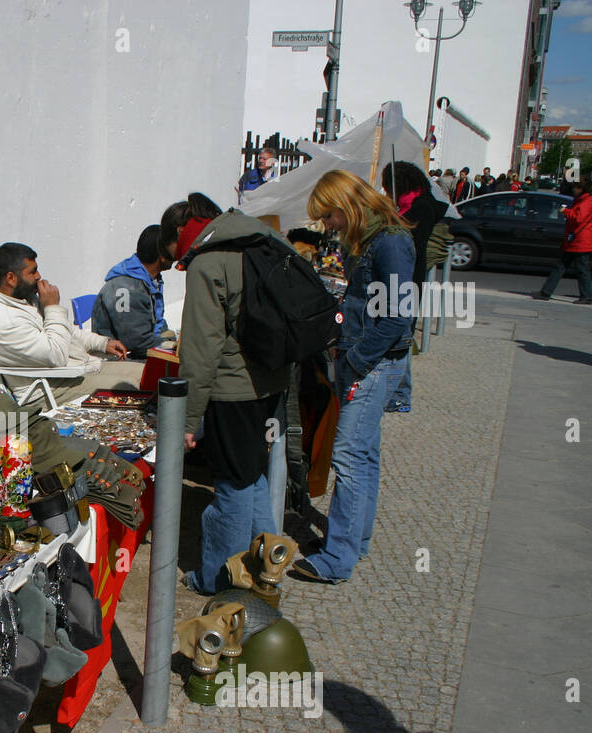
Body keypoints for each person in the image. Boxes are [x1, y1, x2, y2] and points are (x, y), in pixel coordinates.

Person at [290, 169, 414, 585]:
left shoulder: (391, 242)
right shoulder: (377, 238)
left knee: (349, 456)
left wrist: (356, 360)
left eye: (328, 216)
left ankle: (337, 556)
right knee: (363, 454)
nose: (327, 226)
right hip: (369, 357)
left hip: (373, 362)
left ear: (345, 205)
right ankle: (354, 541)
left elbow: (398, 315)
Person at [172, 193, 290, 595]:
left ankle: (222, 580)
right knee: (250, 476)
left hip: (233, 390)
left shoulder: (209, 260)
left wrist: (187, 419)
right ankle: (267, 564)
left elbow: (200, 350)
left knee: (231, 490)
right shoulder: (260, 240)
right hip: (270, 380)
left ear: (182, 233)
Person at [0, 241, 126, 407]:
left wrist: (102, 343)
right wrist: (52, 307)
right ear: (11, 278)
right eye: (32, 272)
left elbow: (67, 332)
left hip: (72, 372)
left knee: (141, 374)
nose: (38, 276)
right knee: (133, 384)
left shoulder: (21, 297)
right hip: (46, 391)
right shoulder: (5, 323)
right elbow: (56, 356)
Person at [380, 160, 448, 413]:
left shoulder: (420, 208)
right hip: (404, 277)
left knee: (401, 336)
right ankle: (395, 391)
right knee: (399, 333)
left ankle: (399, 394)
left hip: (408, 278)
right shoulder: (410, 205)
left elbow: (411, 243)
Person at [90, 224, 177, 359]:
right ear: (162, 255)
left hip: (142, 349)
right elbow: (136, 343)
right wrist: (171, 345)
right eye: (174, 246)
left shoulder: (150, 281)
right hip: (120, 359)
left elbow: (158, 324)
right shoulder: (125, 289)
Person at [532, 181, 592, 305]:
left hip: (579, 240)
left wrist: (566, 211)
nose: (573, 190)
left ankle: (586, 296)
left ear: (581, 188)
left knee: (579, 269)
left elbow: (579, 218)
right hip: (576, 239)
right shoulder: (583, 200)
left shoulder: (586, 201)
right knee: (563, 267)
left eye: (575, 188)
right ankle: (546, 292)